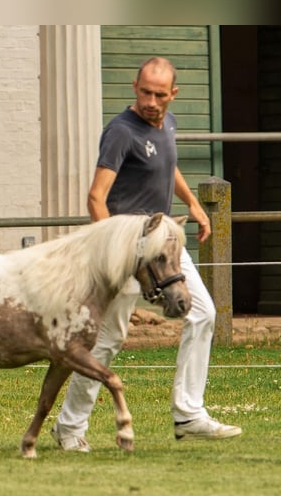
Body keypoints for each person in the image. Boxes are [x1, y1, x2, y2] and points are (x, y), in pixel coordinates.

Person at [51, 56, 241, 452]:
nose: (152, 101)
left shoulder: (166, 123)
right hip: (126, 250)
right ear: (135, 86)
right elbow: (95, 197)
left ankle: (188, 414)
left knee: (204, 312)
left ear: (173, 94)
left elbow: (166, 164)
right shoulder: (120, 132)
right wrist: (110, 254)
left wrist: (192, 203)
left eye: (160, 94)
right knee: (108, 339)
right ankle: (69, 428)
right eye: (145, 92)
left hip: (165, 243)